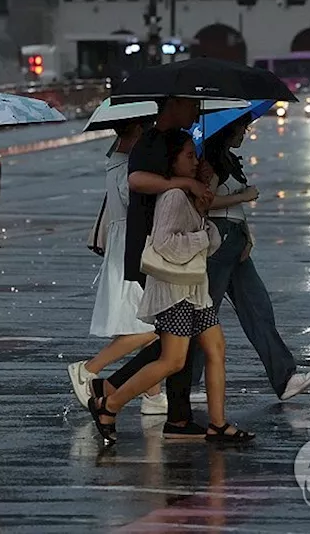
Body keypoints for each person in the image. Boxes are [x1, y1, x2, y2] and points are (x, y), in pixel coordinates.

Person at [86, 129, 254, 445]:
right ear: (171, 161)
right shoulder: (174, 196)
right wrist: (203, 236)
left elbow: (205, 242)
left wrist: (203, 218)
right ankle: (109, 405)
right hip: (175, 289)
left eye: (196, 155)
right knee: (173, 361)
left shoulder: (189, 194)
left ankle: (218, 424)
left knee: (216, 349)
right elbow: (164, 243)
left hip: (195, 288)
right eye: (188, 155)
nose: (195, 161)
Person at [89, 97, 215, 439]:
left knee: (177, 340)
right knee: (176, 343)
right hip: (157, 251)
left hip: (168, 253)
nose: (194, 110)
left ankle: (163, 410)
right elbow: (137, 181)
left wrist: (199, 175)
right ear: (172, 105)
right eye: (190, 103)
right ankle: (115, 398)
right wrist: (184, 183)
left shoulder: (173, 139)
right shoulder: (152, 141)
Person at [191, 114, 310, 401]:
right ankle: (183, 385)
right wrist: (244, 196)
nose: (245, 133)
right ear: (227, 130)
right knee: (204, 314)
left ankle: (285, 378)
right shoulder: (210, 163)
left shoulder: (228, 160)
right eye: (242, 128)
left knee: (257, 308)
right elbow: (204, 203)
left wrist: (247, 234)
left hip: (235, 240)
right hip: (218, 241)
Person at [67, 119, 166, 417]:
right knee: (153, 326)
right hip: (130, 246)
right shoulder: (126, 161)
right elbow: (131, 197)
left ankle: (153, 395)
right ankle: (89, 369)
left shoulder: (117, 156)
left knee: (142, 322)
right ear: (136, 129)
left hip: (124, 242)